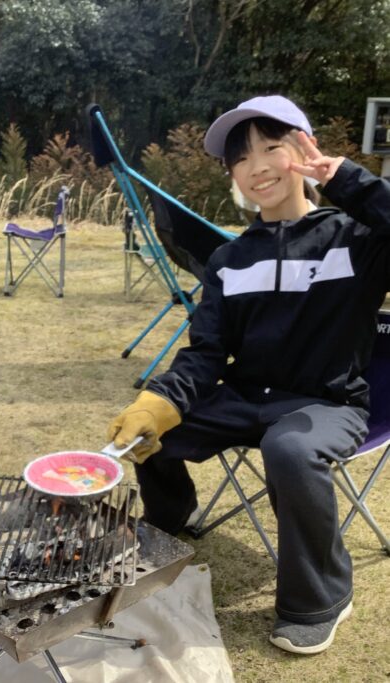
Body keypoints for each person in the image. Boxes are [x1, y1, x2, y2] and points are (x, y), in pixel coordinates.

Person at [107, 95, 390, 655]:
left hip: (326, 403)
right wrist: (158, 402)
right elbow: (206, 353)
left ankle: (321, 598)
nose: (256, 166)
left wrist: (347, 180)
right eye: (240, 158)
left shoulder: (356, 239)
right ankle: (168, 520)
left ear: (304, 151)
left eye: (271, 148)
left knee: (290, 448)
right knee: (152, 433)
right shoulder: (230, 260)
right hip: (243, 396)